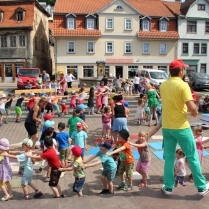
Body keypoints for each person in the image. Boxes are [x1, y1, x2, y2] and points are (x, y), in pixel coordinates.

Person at [160, 59, 209, 196]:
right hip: (181, 127)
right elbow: (192, 107)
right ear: (181, 71)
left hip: (167, 126)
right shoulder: (183, 85)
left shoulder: (163, 85)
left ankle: (168, 187)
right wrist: (194, 111)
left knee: (169, 158)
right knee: (192, 156)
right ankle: (201, 186)